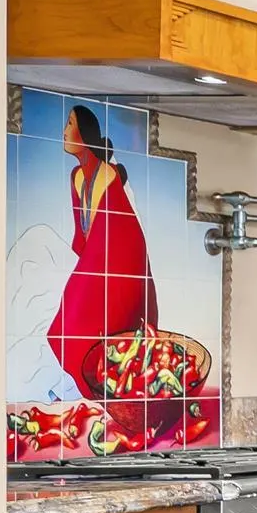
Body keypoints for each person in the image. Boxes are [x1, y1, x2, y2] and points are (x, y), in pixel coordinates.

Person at [47, 102, 156, 396]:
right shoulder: (76, 177)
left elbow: (114, 229)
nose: (64, 131)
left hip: (122, 257)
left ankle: (102, 392)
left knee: (91, 322)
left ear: (84, 134)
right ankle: (93, 391)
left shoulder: (107, 175)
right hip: (100, 252)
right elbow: (82, 228)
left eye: (70, 124)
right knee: (71, 323)